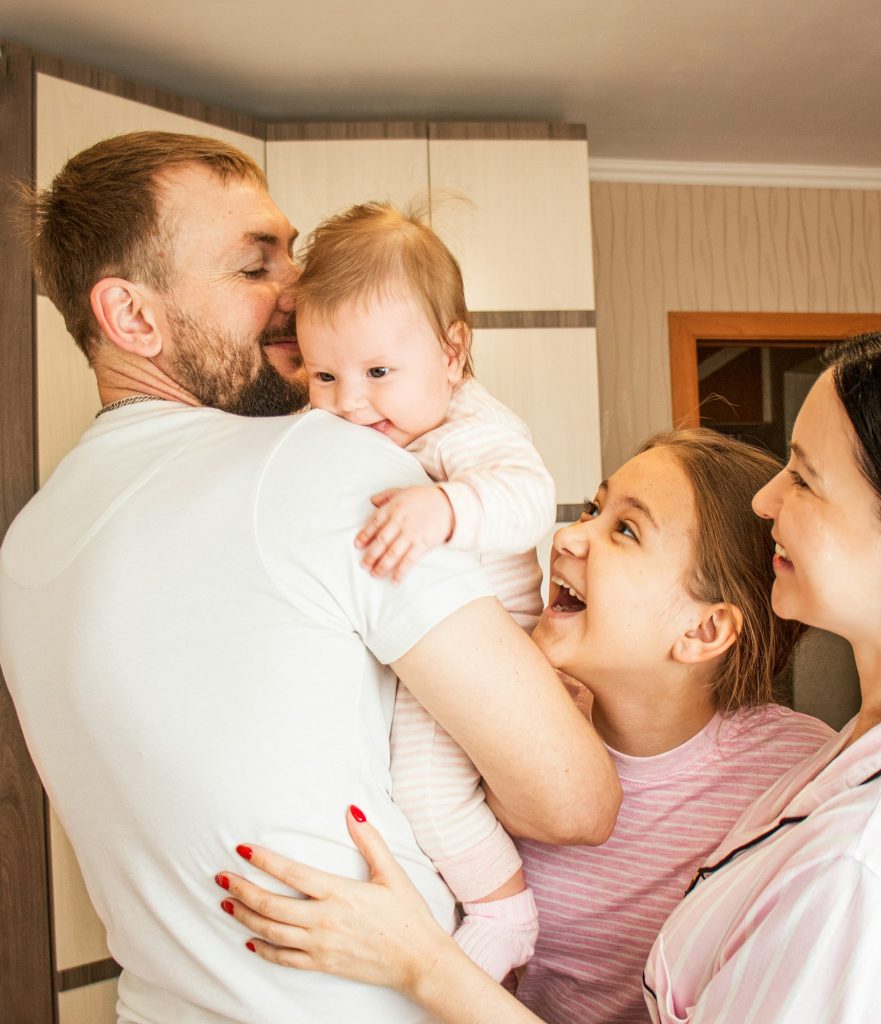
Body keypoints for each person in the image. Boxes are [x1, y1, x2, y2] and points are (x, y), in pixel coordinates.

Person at [214, 325, 881, 1023]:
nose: (768, 500)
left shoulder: (871, 851)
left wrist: (422, 963)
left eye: (806, 478)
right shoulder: (852, 764)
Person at [0, 131, 620, 1024]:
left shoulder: (25, 548)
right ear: (132, 317)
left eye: (292, 250)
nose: (302, 293)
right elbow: (573, 799)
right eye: (257, 268)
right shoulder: (321, 463)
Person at [216, 428, 835, 1022]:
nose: (569, 536)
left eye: (624, 529)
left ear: (703, 631)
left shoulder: (798, 778)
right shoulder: (499, 713)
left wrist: (417, 961)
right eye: (594, 508)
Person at [294, 202, 556, 979]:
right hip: (434, 637)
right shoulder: (380, 422)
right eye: (323, 374)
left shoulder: (471, 423)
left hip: (493, 639)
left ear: (452, 353)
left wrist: (447, 506)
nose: (349, 400)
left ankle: (505, 912)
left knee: (426, 789)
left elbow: (529, 497)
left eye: (377, 372)